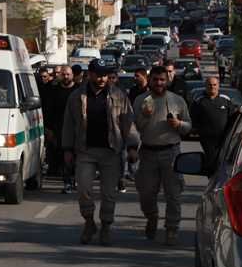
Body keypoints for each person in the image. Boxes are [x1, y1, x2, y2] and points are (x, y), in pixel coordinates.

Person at [61, 58, 138, 245]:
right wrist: (67, 149)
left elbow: (128, 122)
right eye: (99, 74)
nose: (103, 78)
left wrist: (133, 146)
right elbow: (69, 124)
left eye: (106, 75)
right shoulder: (77, 96)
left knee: (109, 193)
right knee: (84, 189)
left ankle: (105, 226)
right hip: (85, 150)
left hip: (111, 151)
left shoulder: (119, 95)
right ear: (90, 74)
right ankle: (89, 222)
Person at [134, 66, 192, 246]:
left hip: (171, 152)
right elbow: (135, 128)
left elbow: (188, 126)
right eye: (155, 80)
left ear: (167, 81)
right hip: (148, 152)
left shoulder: (177, 100)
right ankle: (152, 217)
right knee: (146, 194)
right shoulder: (141, 100)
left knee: (173, 194)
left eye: (162, 80)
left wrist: (178, 124)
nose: (159, 83)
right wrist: (145, 116)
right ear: (150, 81)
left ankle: (172, 228)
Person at [191, 76, 236, 176]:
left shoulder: (225, 100)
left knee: (225, 161)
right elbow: (193, 118)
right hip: (207, 139)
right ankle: (213, 179)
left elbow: (233, 118)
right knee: (212, 161)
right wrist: (198, 131)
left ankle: (222, 181)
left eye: (214, 85)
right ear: (206, 86)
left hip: (225, 138)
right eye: (210, 85)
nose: (212, 87)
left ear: (218, 86)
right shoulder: (199, 101)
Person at [48, 66, 76, 193]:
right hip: (60, 130)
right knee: (65, 156)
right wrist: (49, 130)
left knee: (78, 157)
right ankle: (68, 182)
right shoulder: (54, 91)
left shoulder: (78, 90)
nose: (66, 77)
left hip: (78, 129)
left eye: (68, 74)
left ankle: (76, 180)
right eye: (63, 74)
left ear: (72, 75)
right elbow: (49, 111)